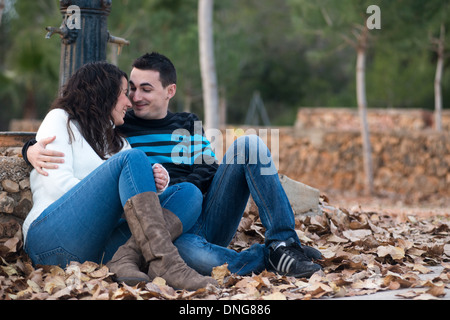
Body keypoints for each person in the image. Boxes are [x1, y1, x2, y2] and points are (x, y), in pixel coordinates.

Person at [24, 52, 322, 280]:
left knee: (249, 145)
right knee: (190, 254)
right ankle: (262, 258)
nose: (135, 98)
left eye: (146, 89)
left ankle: (283, 244)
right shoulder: (121, 129)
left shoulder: (186, 125)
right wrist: (28, 149)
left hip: (198, 211)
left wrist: (172, 179)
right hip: (163, 230)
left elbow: (210, 169)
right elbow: (89, 165)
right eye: (131, 90)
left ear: (170, 91)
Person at [22, 61, 216, 291]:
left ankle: (127, 258)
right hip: (53, 240)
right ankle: (166, 263)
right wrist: (27, 150)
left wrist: (154, 183)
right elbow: (58, 187)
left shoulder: (119, 142)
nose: (130, 101)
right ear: (103, 94)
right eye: (125, 93)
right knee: (134, 158)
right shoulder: (60, 119)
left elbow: (139, 206)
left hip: (97, 253)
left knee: (188, 193)